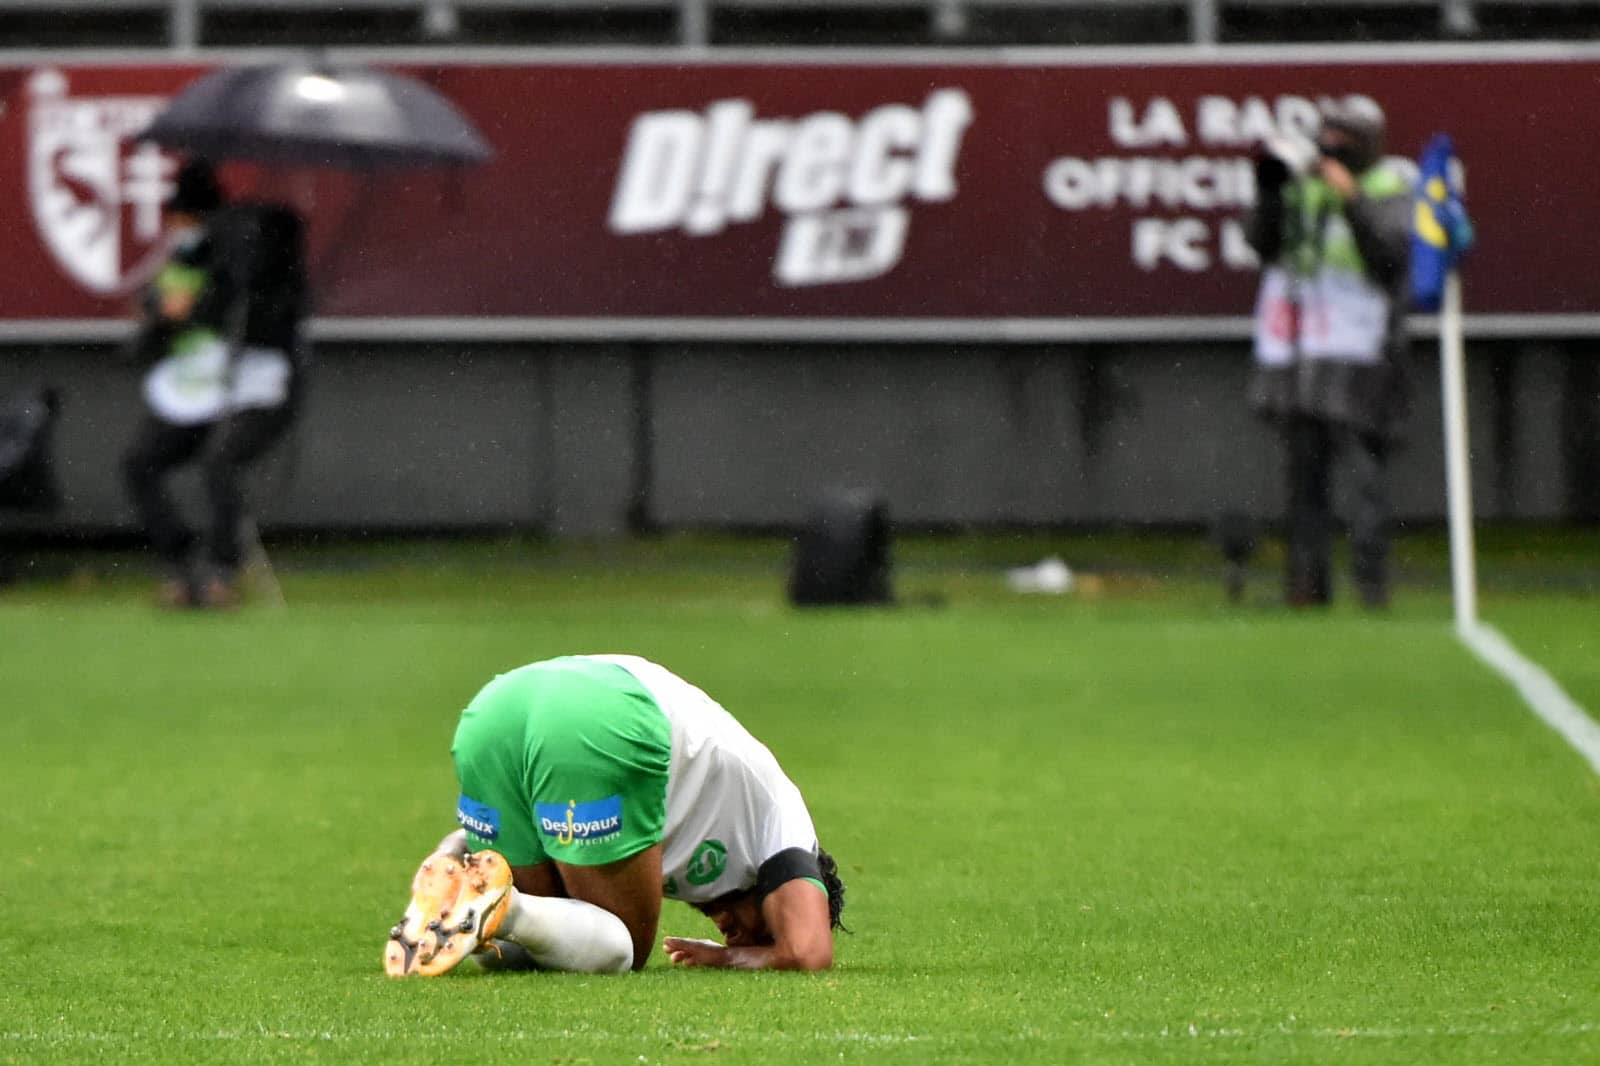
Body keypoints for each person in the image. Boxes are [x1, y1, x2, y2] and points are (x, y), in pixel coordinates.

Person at [384, 654, 846, 976]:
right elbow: (808, 952)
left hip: (497, 706)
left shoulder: (710, 855)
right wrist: (724, 960)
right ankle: (501, 908)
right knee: (623, 945)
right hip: (604, 715)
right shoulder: (786, 826)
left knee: (524, 953)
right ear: (778, 899)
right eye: (761, 935)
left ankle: (455, 857)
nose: (736, 942)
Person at [1244, 97, 1414, 609]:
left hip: (1364, 349)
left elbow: (1390, 257)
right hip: (1303, 350)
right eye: (1328, 133)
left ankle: (1371, 585)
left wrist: (1354, 200)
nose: (1333, 144)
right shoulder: (1302, 181)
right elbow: (1263, 245)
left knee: (1364, 475)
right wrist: (1271, 194)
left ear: (1370, 141)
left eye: (1346, 136)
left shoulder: (1393, 183)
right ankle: (1306, 586)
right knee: (1303, 475)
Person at [121, 159, 307, 608]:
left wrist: (207, 307)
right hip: (193, 387)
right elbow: (155, 326)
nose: (176, 228)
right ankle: (183, 564)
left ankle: (223, 570)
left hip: (250, 384)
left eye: (181, 218)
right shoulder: (187, 259)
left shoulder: (257, 255)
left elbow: (265, 316)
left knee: (218, 462)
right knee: (140, 463)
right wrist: (160, 319)